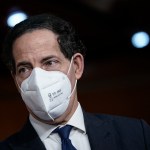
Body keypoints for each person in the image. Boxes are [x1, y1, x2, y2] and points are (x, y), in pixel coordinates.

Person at [0, 13, 150, 150]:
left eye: (50, 62)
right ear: (16, 80)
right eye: (24, 69)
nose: (37, 78)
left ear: (77, 66)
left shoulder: (135, 134)